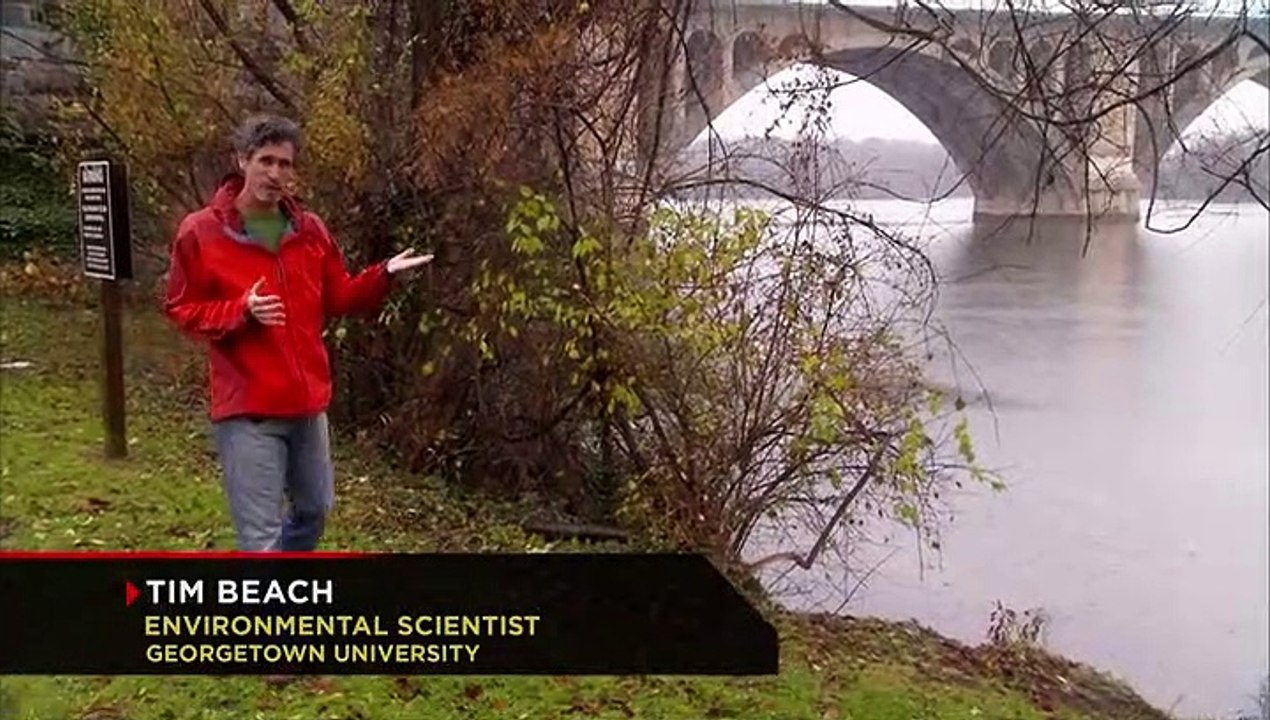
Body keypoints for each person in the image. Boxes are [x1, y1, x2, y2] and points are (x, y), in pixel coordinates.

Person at [163, 114, 432, 552]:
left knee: (314, 512)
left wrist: (383, 274)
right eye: (265, 161)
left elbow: (339, 297)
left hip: (307, 406)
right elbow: (181, 307)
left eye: (285, 164)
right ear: (242, 160)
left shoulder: (309, 230)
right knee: (261, 538)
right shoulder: (203, 231)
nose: (275, 173)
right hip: (248, 409)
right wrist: (240, 311)